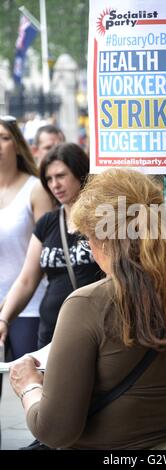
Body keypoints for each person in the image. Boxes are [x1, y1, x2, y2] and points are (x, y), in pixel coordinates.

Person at [9, 168, 166, 450]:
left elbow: (54, 431)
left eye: (87, 238)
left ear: (102, 240)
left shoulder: (87, 304)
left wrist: (29, 385)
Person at [0, 143, 103, 351]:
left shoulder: (101, 217)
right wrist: (4, 319)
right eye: (49, 179)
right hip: (51, 332)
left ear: (80, 173)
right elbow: (27, 280)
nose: (55, 184)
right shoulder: (48, 222)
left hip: (95, 329)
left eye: (61, 176)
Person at [0, 115, 53, 358]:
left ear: (18, 145)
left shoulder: (36, 189)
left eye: (4, 138)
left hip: (28, 306)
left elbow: (47, 249)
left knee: (31, 383)